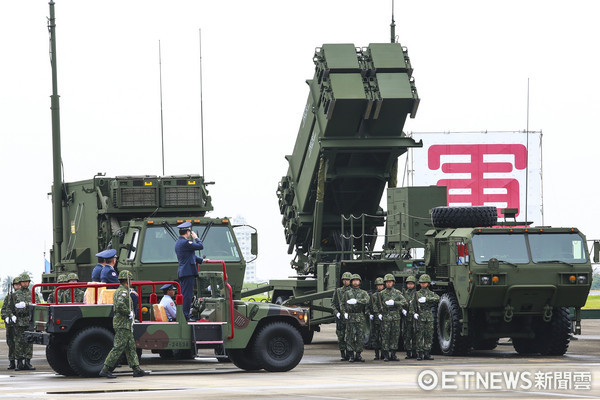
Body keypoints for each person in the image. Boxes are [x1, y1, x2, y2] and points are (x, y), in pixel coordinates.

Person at [99, 270, 149, 378]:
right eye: (130, 280)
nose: (131, 281)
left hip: (126, 324)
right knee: (118, 347)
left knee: (131, 347)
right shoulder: (123, 292)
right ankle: (105, 369)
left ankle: (136, 369)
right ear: (127, 280)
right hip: (122, 324)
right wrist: (129, 312)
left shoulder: (124, 290)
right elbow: (119, 305)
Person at [174, 222, 204, 321]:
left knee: (184, 294)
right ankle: (185, 316)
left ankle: (184, 315)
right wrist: (196, 237)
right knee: (187, 295)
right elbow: (200, 246)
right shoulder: (186, 243)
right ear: (187, 232)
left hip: (184, 272)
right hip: (188, 272)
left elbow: (190, 256)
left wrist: (202, 260)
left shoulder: (179, 242)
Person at [379, 273, 407, 362]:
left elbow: (404, 302)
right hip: (386, 316)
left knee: (395, 335)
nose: (388, 284)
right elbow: (376, 304)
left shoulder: (397, 293)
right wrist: (378, 314)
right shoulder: (381, 294)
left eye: (390, 282)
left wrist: (395, 303)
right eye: (387, 282)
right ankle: (386, 355)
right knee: (385, 335)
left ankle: (393, 354)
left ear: (393, 283)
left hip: (395, 317)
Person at [342, 274, 369, 362]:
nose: (355, 282)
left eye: (357, 280)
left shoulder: (363, 293)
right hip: (351, 316)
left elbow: (367, 300)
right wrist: (344, 313)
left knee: (360, 336)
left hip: (360, 316)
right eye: (353, 280)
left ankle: (358, 354)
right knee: (350, 336)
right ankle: (351, 355)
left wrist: (357, 301)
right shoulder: (347, 293)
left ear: (360, 282)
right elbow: (342, 304)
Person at [415, 274, 440, 361]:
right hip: (420, 314)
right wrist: (414, 313)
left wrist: (427, 299)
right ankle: (419, 353)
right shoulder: (417, 294)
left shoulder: (431, 293)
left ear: (428, 283)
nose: (423, 284)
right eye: (421, 283)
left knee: (428, 335)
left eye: (424, 283)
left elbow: (437, 298)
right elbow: (412, 305)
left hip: (429, 315)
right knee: (420, 335)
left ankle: (427, 353)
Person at [13, 273, 35, 371]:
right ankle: (19, 363)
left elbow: (37, 305)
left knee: (29, 342)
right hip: (19, 320)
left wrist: (26, 305)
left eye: (27, 281)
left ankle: (28, 362)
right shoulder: (15, 294)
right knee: (19, 342)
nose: (25, 283)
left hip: (29, 320)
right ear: (20, 283)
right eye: (23, 282)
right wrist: (11, 316)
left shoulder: (33, 293)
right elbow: (10, 307)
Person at [331, 271, 352, 361]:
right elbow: (333, 304)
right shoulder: (338, 291)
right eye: (344, 280)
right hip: (340, 318)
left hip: (350, 316)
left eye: (348, 280)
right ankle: (343, 353)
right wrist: (337, 313)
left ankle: (349, 353)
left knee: (350, 336)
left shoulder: (353, 291)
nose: (346, 282)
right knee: (341, 336)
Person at [1, 277, 20, 369]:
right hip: (10, 324)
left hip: (20, 324)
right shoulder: (8, 297)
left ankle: (20, 362)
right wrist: (6, 318)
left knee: (20, 343)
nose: (18, 286)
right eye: (16, 285)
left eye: (19, 285)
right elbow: (4, 309)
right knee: (11, 343)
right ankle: (12, 361)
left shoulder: (22, 296)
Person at [402, 275, 418, 359]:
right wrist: (402, 310)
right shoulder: (404, 293)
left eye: (411, 284)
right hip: (407, 317)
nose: (410, 285)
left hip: (415, 318)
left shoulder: (417, 293)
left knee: (415, 335)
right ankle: (408, 352)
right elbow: (401, 302)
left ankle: (414, 352)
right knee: (407, 335)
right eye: (408, 284)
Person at [369, 277, 384, 360]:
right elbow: (368, 307)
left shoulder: (385, 295)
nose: (380, 287)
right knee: (375, 337)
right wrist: (369, 314)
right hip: (375, 319)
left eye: (381, 285)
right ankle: (376, 354)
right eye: (378, 285)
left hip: (384, 319)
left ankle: (383, 354)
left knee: (384, 337)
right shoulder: (373, 296)